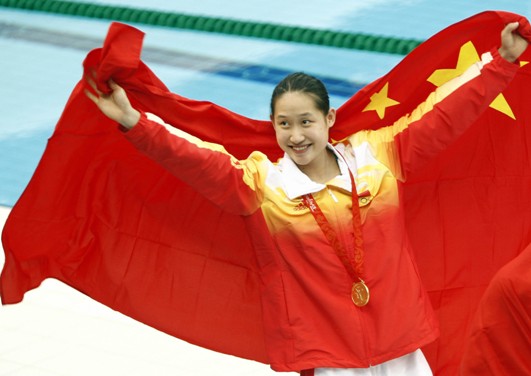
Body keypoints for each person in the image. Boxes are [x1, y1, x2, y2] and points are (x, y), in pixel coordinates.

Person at [84, 22, 527, 376]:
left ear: (329, 118)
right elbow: (191, 157)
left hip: (400, 343)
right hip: (329, 353)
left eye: (306, 122)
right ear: (273, 126)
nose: (295, 136)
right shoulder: (261, 186)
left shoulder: (379, 158)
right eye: (284, 125)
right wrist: (132, 121)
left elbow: (444, 115)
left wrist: (501, 62)